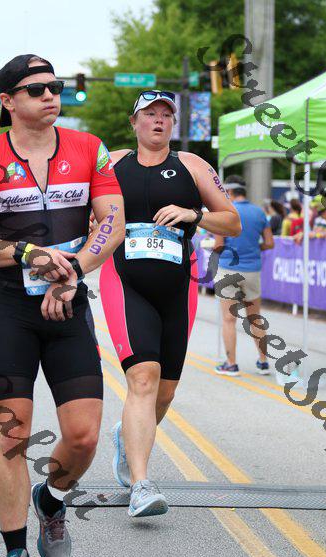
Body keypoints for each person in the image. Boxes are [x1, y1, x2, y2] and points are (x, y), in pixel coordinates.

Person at [0, 54, 125, 557]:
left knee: (82, 437)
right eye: (36, 89)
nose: (50, 95)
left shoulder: (88, 147)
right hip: (11, 308)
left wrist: (73, 271)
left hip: (70, 303)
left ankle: (50, 499)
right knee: (12, 436)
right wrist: (28, 253)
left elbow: (111, 221)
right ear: (8, 100)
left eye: (54, 86)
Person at [98, 90, 241, 518]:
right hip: (125, 279)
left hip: (179, 284)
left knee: (165, 391)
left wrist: (193, 214)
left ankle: (127, 436)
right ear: (134, 122)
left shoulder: (192, 166)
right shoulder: (112, 163)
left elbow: (231, 220)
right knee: (143, 377)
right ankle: (141, 485)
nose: (159, 120)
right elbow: (84, 209)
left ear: (173, 123)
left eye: (166, 114)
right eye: (150, 114)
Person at [213, 175, 274, 377]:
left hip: (228, 269)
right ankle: (263, 362)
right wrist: (254, 249)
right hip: (252, 269)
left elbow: (219, 245)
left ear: (229, 191)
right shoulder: (259, 212)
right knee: (255, 318)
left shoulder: (225, 212)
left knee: (229, 319)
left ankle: (231, 364)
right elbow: (269, 243)